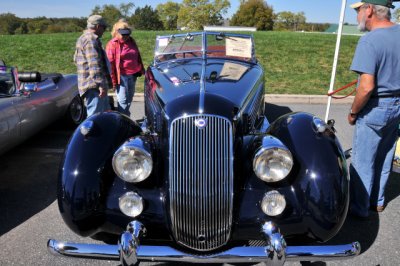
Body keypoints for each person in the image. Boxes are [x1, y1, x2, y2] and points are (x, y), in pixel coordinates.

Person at [348, 0, 400, 218]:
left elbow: (366, 86)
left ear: (369, 9)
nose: (357, 15)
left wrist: (353, 112)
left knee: (362, 160)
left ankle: (359, 209)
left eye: (359, 10)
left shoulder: (369, 41)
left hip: (376, 106)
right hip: (398, 104)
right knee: (385, 154)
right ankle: (377, 201)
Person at [74, 14, 112, 117]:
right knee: (95, 118)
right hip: (94, 86)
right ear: (98, 26)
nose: (104, 30)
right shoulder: (90, 40)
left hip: (92, 85)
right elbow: (94, 65)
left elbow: (75, 60)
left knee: (103, 116)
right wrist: (101, 85)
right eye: (104, 27)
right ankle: (92, 134)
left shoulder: (83, 38)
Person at [106, 20, 145, 116]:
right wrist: (113, 81)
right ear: (116, 32)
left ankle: (124, 117)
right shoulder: (112, 44)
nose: (125, 36)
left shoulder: (131, 41)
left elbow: (137, 55)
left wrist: (141, 69)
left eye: (127, 34)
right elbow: (110, 64)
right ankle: (123, 121)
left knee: (129, 98)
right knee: (123, 100)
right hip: (121, 76)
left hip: (133, 74)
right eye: (123, 34)